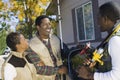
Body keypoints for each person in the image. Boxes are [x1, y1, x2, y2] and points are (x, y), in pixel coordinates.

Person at [78, 1, 120, 80]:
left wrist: (89, 75)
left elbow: (117, 75)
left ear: (105, 19)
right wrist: (96, 64)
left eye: (98, 18)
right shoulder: (113, 35)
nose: (97, 22)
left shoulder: (115, 40)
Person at [28, 15, 68, 80]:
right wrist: (58, 70)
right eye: (45, 24)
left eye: (49, 24)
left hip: (60, 77)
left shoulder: (56, 39)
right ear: (38, 27)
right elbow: (37, 68)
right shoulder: (31, 44)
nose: (48, 26)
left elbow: (65, 53)